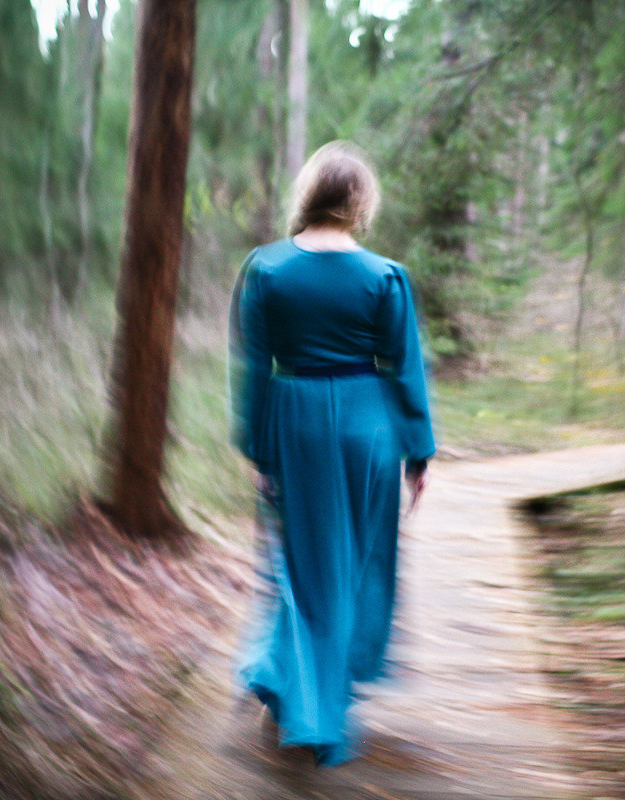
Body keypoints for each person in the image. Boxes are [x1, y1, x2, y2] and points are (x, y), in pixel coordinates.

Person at [229, 141, 436, 766]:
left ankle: (287, 678)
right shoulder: (384, 277)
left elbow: (254, 369)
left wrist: (258, 449)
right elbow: (405, 368)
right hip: (368, 428)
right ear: (360, 202)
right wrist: (418, 452)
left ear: (309, 193)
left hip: (295, 426)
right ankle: (314, 701)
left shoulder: (265, 269)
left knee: (301, 563)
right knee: (353, 562)